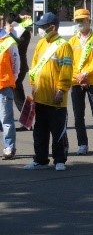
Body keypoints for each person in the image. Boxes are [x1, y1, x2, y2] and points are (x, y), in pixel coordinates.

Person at [24, 12, 73, 171]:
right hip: (40, 96)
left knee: (58, 131)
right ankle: (40, 159)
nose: (41, 29)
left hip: (56, 97)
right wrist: (33, 83)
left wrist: (61, 89)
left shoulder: (64, 46)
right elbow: (34, 66)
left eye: (44, 27)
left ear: (53, 27)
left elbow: (66, 69)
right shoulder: (40, 44)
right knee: (40, 131)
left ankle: (59, 160)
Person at [68, 8, 93, 157]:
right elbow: (68, 63)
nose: (80, 23)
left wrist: (85, 74)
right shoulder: (71, 41)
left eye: (82, 20)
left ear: (89, 21)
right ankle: (82, 144)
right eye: (77, 21)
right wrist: (78, 76)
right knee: (78, 115)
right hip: (76, 82)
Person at [4, 12, 31, 119]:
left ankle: (27, 119)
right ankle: (27, 119)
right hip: (17, 68)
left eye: (6, 24)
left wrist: (9, 33)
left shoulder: (23, 33)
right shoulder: (19, 32)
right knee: (19, 94)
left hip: (18, 68)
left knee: (17, 95)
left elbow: (15, 44)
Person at [0, 24, 20, 160]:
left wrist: (12, 78)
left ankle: (9, 147)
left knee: (6, 119)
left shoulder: (8, 41)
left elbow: (16, 64)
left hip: (4, 84)